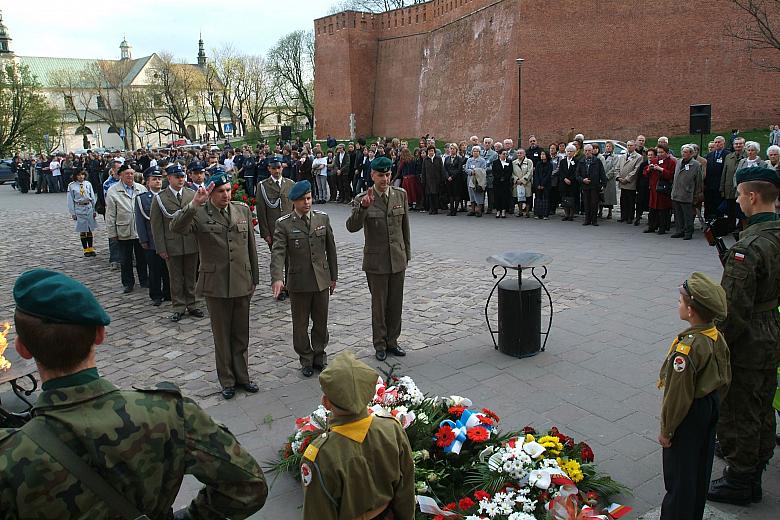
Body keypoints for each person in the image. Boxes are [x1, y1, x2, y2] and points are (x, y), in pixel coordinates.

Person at [0, 269, 268, 518]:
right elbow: (249, 488)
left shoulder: (11, 455)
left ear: (22, 348)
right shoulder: (168, 414)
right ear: (100, 334)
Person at [708, 166, 780, 505]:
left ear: (752, 197)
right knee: (763, 403)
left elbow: (733, 309)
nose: (737, 200)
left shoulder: (748, 246)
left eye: (739, 195)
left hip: (749, 337)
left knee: (739, 408)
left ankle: (739, 478)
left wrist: (714, 344)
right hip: (771, 327)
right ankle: (755, 468)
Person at [170, 170, 260, 400]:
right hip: (216, 283)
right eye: (220, 191)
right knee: (222, 335)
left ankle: (243, 376)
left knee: (241, 333)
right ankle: (227, 380)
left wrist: (254, 278)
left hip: (241, 280)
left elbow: (251, 247)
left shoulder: (242, 210)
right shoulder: (199, 213)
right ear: (210, 193)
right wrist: (193, 204)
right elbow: (176, 227)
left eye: (228, 190)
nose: (226, 195)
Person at [301, 351, 415, 520]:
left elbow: (318, 512)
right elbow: (405, 490)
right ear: (369, 394)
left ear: (326, 403)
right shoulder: (391, 428)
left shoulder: (320, 455)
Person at [657, 272, 730, 520]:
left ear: (691, 311)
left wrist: (667, 430)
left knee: (680, 474)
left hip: (689, 414)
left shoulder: (687, 348)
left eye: (680, 301)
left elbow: (678, 396)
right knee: (700, 468)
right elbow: (726, 376)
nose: (678, 305)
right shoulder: (714, 335)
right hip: (709, 406)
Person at [270, 180, 338, 377]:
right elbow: (278, 253)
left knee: (321, 321)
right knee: (300, 325)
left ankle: (319, 356)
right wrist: (277, 277)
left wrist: (333, 277)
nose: (307, 203)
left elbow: (330, 250)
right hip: (299, 282)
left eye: (309, 198)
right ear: (294, 202)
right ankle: (306, 359)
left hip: (321, 280)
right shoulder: (284, 224)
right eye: (302, 200)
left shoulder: (322, 219)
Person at [346, 157, 411, 361]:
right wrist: (363, 208)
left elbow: (404, 228)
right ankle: (380, 344)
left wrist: (406, 253)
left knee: (396, 303)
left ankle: (393, 341)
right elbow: (352, 226)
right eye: (381, 175)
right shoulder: (363, 198)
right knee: (379, 305)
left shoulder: (400, 195)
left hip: (397, 258)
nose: (385, 179)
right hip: (376, 262)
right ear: (372, 175)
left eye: (388, 174)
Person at [150, 163, 203, 322]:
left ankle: (193, 304)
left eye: (182, 176)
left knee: (191, 275)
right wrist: (161, 248)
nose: (181, 179)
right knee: (175, 278)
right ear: (169, 177)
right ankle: (178, 306)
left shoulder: (191, 194)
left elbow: (198, 220)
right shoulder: (160, 198)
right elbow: (156, 226)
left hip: (191, 242)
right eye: (177, 177)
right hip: (172, 244)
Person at [105, 165, 148, 293]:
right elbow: (110, 214)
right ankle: (128, 283)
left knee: (142, 258)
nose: (130, 176)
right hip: (123, 229)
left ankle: (144, 280)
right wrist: (112, 233)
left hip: (140, 230)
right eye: (127, 173)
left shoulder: (141, 188)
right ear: (120, 175)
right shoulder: (113, 191)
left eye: (131, 173)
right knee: (125, 259)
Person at [135, 166, 171, 307]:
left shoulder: (167, 196)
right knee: (154, 269)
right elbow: (140, 220)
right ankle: (156, 294)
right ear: (147, 182)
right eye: (154, 179)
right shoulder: (142, 199)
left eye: (159, 179)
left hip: (167, 238)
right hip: (152, 240)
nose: (157, 182)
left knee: (167, 268)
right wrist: (143, 239)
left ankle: (168, 292)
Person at [670, 144, 703, 240]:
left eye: (685, 152)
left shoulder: (696, 165)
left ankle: (688, 232)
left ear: (691, 154)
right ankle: (679, 230)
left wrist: (696, 194)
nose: (683, 154)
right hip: (676, 192)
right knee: (678, 214)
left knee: (687, 215)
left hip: (687, 194)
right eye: (682, 152)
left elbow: (698, 181)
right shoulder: (679, 162)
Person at [67, 169, 98, 257]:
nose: (81, 177)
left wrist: (94, 209)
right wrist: (73, 212)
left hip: (88, 207)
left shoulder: (88, 184)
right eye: (79, 175)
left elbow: (92, 196)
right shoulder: (71, 186)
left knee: (89, 229)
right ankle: (85, 249)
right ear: (75, 176)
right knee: (82, 229)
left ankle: (91, 248)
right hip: (79, 207)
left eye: (82, 175)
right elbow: (70, 200)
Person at [645, 145, 676, 235]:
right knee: (652, 209)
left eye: (661, 152)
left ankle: (662, 228)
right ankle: (652, 226)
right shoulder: (654, 160)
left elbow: (671, 175)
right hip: (654, 189)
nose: (659, 154)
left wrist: (661, 169)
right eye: (658, 152)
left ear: (666, 153)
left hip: (664, 189)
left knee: (663, 210)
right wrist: (649, 169)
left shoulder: (671, 162)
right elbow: (646, 174)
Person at [575, 144, 607, 226]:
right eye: (586, 151)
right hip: (585, 186)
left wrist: (603, 184)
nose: (587, 152)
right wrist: (582, 180)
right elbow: (577, 175)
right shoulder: (581, 161)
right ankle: (587, 219)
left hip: (595, 186)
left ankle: (594, 220)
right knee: (586, 203)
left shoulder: (597, 161)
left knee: (594, 203)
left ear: (592, 151)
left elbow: (602, 173)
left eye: (589, 150)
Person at [719, 137, 746, 231]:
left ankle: (741, 226)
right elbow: (724, 173)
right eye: (736, 144)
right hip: (729, 187)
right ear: (733, 145)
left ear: (744, 145)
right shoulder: (728, 157)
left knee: (741, 209)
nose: (738, 146)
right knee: (730, 209)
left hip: (741, 189)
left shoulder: (747, 157)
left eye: (740, 144)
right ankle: (731, 226)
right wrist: (722, 188)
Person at [616, 140, 642, 223]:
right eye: (628, 145)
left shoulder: (638, 157)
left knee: (630, 201)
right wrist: (618, 177)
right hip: (621, 182)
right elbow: (617, 168)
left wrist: (626, 179)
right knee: (623, 201)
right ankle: (623, 216)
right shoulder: (622, 156)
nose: (629, 147)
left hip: (630, 183)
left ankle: (630, 217)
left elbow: (636, 170)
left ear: (634, 146)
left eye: (631, 145)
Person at [558, 144, 579, 221]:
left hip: (573, 183)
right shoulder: (562, 161)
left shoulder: (576, 161)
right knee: (564, 199)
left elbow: (576, 172)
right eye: (568, 151)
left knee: (572, 199)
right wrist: (565, 179)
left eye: (571, 151)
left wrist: (570, 179)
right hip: (564, 183)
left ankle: (571, 215)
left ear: (574, 152)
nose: (569, 153)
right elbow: (561, 171)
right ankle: (566, 214)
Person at [491, 150, 514, 218]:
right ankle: (498, 210)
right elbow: (494, 172)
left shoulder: (509, 161)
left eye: (506, 154)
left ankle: (503, 210)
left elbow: (510, 171)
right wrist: (499, 178)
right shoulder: (495, 162)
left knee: (505, 196)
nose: (505, 155)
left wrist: (505, 178)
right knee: (497, 196)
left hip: (506, 182)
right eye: (503, 154)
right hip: (497, 182)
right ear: (499, 155)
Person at [465, 146, 486, 217]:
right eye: (474, 151)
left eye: (477, 151)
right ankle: (472, 210)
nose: (475, 152)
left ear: (479, 152)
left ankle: (479, 210)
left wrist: (476, 171)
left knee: (478, 194)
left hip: (478, 180)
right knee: (471, 194)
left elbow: (483, 170)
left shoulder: (482, 160)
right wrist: (471, 172)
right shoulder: (469, 160)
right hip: (470, 178)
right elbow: (466, 169)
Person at [599, 142, 619, 219]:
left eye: (609, 146)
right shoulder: (602, 156)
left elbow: (614, 168)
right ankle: (600, 211)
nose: (608, 148)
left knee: (610, 197)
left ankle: (610, 212)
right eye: (606, 146)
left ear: (612, 148)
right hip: (602, 179)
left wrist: (606, 176)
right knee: (601, 196)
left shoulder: (615, 157)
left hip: (610, 180)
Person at [512, 148, 534, 217]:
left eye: (521, 153)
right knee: (519, 197)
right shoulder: (514, 163)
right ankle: (520, 211)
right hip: (517, 183)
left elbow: (530, 172)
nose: (519, 154)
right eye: (518, 153)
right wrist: (516, 179)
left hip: (526, 183)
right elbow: (512, 173)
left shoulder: (529, 162)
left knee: (528, 198)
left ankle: (527, 212)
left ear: (524, 154)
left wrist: (523, 180)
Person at [443, 144, 463, 216]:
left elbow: (459, 169)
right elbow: (445, 168)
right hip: (448, 179)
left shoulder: (459, 158)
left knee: (456, 194)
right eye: (451, 148)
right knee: (450, 194)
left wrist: (452, 176)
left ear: (456, 150)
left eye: (453, 149)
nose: (451, 150)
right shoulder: (447, 158)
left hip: (456, 179)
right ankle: (451, 210)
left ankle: (455, 210)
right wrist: (447, 176)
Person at [533, 150, 553, 219]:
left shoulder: (550, 164)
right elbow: (536, 174)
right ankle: (538, 213)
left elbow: (548, 175)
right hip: (538, 184)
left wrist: (543, 184)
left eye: (543, 154)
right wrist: (538, 184)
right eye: (541, 154)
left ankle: (545, 214)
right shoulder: (538, 164)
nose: (542, 156)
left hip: (546, 184)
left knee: (546, 199)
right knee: (538, 198)